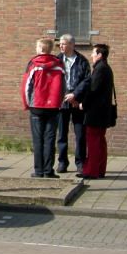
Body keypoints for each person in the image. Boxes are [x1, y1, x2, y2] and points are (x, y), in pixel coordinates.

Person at [22, 37, 65, 178]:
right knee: (50, 139)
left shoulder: (33, 64)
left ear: (40, 49)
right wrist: (59, 103)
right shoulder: (59, 65)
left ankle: (39, 171)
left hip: (36, 106)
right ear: (51, 49)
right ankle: (48, 170)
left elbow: (26, 86)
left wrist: (27, 103)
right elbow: (63, 87)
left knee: (38, 139)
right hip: (53, 107)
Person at [78, 43, 115, 180]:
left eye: (94, 53)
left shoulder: (100, 69)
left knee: (93, 141)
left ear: (100, 55)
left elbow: (93, 90)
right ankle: (99, 169)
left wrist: (83, 103)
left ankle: (92, 171)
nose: (92, 55)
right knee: (100, 141)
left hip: (96, 113)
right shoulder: (106, 68)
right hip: (102, 112)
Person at [55, 34, 91, 175]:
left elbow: (87, 81)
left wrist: (75, 95)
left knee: (80, 134)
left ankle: (80, 162)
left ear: (71, 44)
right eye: (60, 44)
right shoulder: (57, 60)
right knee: (62, 134)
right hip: (62, 101)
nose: (61, 46)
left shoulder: (82, 61)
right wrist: (64, 95)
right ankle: (62, 162)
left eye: (63, 44)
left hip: (77, 102)